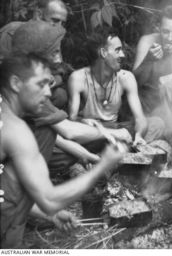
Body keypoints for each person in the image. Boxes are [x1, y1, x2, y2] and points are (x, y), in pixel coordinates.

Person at [0, 53, 121, 248]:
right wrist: (103, 165)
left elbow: (6, 191)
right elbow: (49, 199)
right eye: (41, 84)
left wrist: (53, 215)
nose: (49, 93)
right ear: (15, 83)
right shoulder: (15, 131)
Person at [11, 20, 116, 174]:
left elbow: (49, 127)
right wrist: (114, 133)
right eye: (54, 52)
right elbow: (67, 130)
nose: (59, 59)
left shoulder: (21, 77)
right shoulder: (25, 87)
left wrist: (83, 153)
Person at [68, 31, 164, 146]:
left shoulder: (126, 77)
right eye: (117, 50)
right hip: (92, 131)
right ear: (103, 53)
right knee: (77, 133)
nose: (122, 55)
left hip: (117, 128)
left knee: (156, 123)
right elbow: (71, 120)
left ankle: (127, 147)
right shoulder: (78, 78)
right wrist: (83, 121)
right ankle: (117, 150)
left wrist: (138, 134)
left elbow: (140, 118)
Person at [0, 0, 68, 58]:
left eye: (62, 23)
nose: (59, 26)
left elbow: (57, 66)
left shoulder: (53, 38)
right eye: (55, 20)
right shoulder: (12, 29)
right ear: (39, 15)